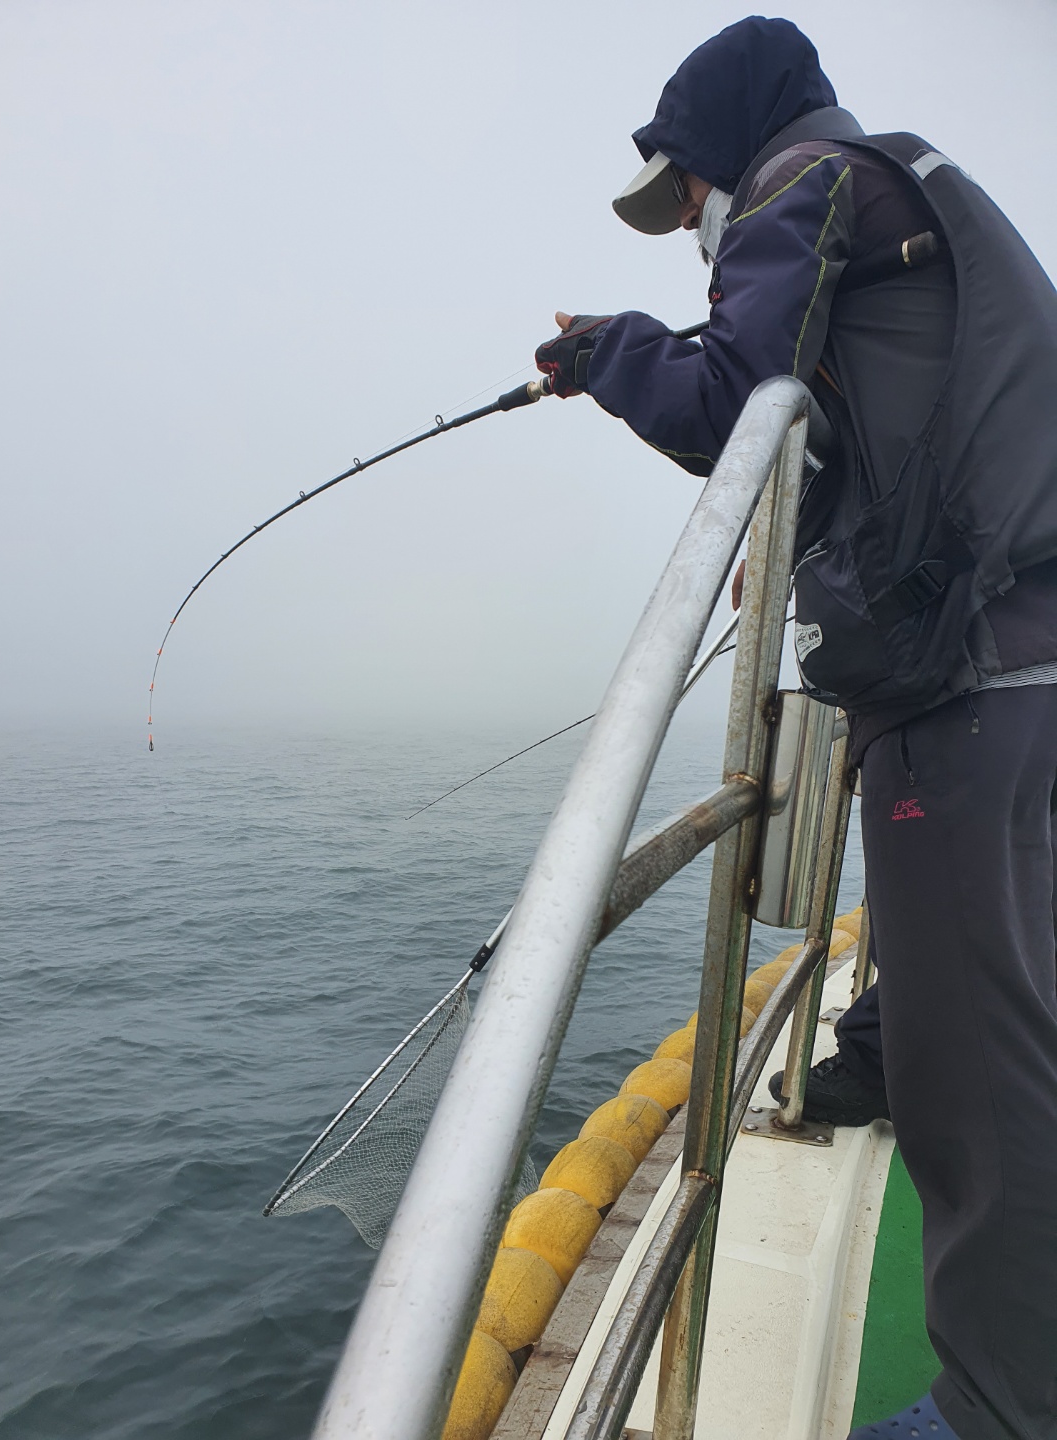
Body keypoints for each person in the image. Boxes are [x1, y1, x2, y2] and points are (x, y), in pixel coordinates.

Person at [533, 17, 1057, 1440]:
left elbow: (727, 398)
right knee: (976, 996)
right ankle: (882, 1038)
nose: (688, 222)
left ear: (724, 149)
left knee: (982, 1083)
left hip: (970, 684)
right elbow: (888, 427)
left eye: (683, 192)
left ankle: (1005, 1411)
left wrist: (604, 351)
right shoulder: (897, 190)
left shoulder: (802, 185)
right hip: (1006, 662)